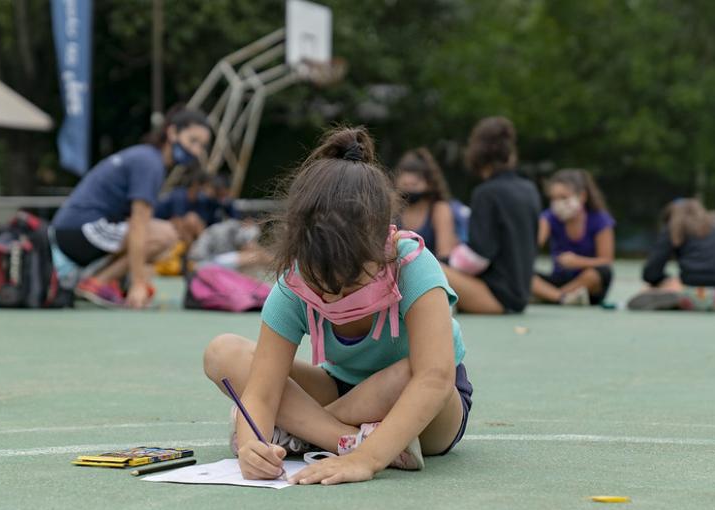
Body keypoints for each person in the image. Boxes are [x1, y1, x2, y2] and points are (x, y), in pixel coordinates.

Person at [203, 127, 472, 486]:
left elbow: (435, 379)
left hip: (430, 409)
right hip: (340, 389)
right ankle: (340, 438)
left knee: (414, 372)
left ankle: (308, 432)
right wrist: (253, 444)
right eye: (321, 282)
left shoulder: (412, 265)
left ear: (383, 247)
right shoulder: (294, 283)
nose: (333, 298)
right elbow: (263, 391)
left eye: (351, 282)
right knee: (223, 353)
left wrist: (367, 459)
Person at [51, 108, 212, 308]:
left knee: (159, 235)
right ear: (172, 132)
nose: (196, 151)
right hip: (79, 231)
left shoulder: (146, 157)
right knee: (167, 235)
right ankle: (97, 283)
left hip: (73, 231)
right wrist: (138, 283)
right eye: (193, 141)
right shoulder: (150, 163)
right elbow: (138, 226)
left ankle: (102, 281)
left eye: (201, 146)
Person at [441, 116, 541, 313]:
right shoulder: (529, 189)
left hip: (496, 296)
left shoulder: (487, 193)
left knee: (422, 266)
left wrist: (447, 260)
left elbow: (478, 257)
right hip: (521, 293)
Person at [627, 198, 715, 312]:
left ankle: (680, 298)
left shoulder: (675, 225)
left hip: (696, 291)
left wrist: (665, 280)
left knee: (653, 288)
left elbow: (651, 273)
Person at [531, 169, 615, 306]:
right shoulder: (548, 217)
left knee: (600, 273)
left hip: (587, 285)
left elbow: (606, 261)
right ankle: (562, 297)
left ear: (582, 196)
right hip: (558, 279)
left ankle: (550, 296)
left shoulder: (600, 220)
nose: (557, 203)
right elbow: (534, 245)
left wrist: (578, 262)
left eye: (563, 197)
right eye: (553, 199)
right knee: (523, 274)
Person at [394, 148, 459, 260]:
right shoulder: (393, 208)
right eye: (405, 185)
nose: (409, 190)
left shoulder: (439, 209)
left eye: (414, 185)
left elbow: (445, 255)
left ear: (429, 184)